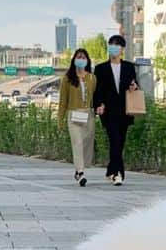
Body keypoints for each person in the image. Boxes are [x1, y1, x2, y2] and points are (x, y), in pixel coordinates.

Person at [92, 34, 139, 185]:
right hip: (108, 111)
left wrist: (134, 86)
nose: (114, 49)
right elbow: (97, 90)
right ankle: (118, 173)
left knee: (121, 141)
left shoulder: (129, 67)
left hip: (125, 111)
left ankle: (111, 169)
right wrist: (98, 104)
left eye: (117, 46)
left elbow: (134, 84)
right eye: (111, 45)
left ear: (122, 49)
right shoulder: (100, 69)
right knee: (114, 140)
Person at [57, 47, 96, 187]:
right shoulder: (67, 79)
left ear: (87, 61)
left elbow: (96, 97)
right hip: (74, 114)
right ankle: (80, 172)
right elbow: (63, 101)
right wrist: (60, 119)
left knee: (86, 144)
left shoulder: (92, 78)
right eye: (78, 57)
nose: (81, 60)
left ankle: (80, 169)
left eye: (83, 57)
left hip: (88, 114)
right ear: (74, 60)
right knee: (77, 142)